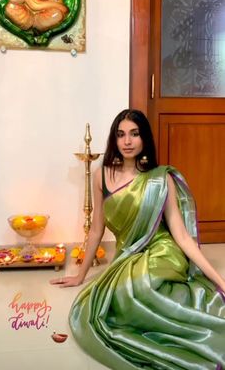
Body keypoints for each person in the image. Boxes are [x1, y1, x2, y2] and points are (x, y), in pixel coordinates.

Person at [51, 109, 225, 370]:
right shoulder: (102, 176)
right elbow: (97, 229)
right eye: (121, 135)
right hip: (128, 254)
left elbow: (181, 236)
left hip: (163, 249)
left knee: (141, 286)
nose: (127, 141)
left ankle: (183, 335)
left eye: (134, 133)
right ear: (114, 139)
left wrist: (220, 281)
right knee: (120, 293)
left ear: (144, 138)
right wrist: (80, 274)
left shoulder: (160, 179)